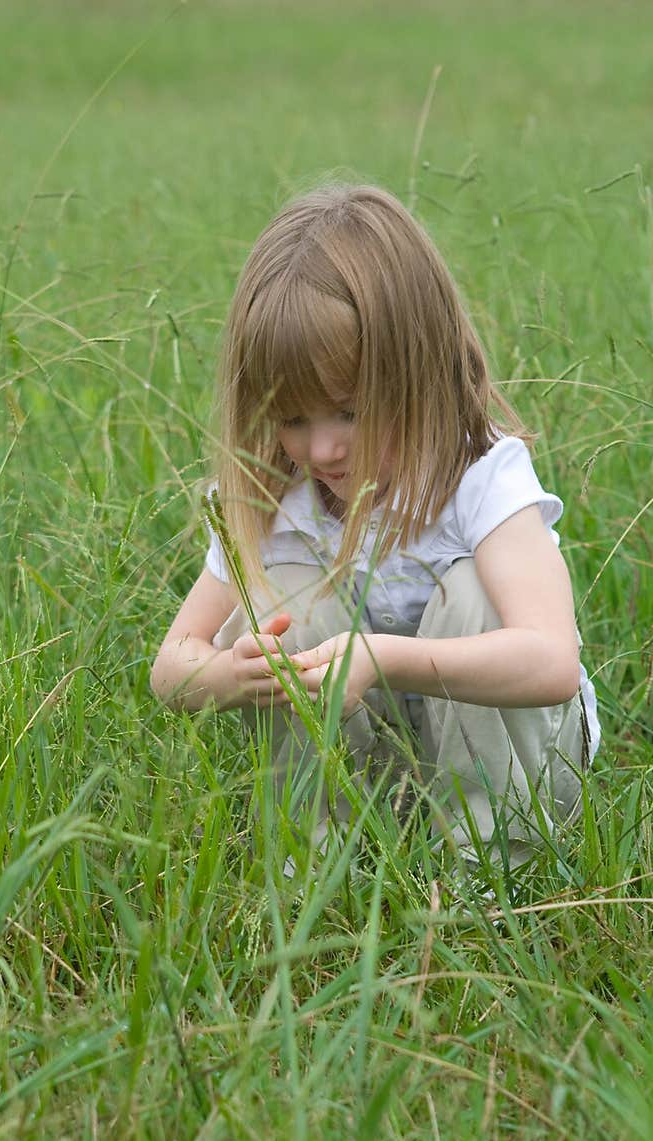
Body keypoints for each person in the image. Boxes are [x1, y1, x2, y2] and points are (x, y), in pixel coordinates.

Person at [150, 184, 599, 870]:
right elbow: (170, 668)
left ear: (417, 374)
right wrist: (229, 674)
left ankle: (492, 874)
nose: (321, 450)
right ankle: (324, 866)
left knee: (469, 592)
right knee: (283, 601)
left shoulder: (480, 479)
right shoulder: (275, 496)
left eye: (349, 413)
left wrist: (385, 657)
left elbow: (551, 662)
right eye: (292, 419)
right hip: (385, 773)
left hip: (519, 769)